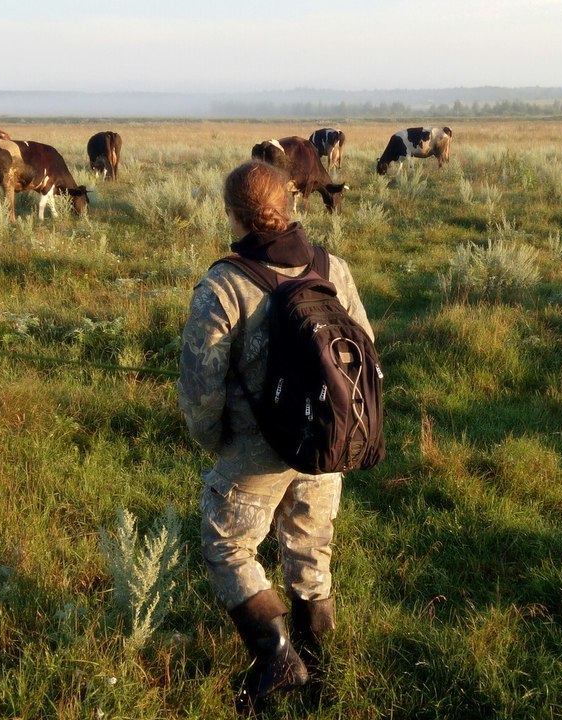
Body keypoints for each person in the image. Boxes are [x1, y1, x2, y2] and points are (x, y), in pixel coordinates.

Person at [178, 160, 375, 713]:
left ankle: (277, 656)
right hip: (325, 443)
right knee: (312, 550)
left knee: (227, 546)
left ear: (234, 214)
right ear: (289, 206)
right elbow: (364, 344)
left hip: (253, 453)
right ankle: (326, 671)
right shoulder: (332, 267)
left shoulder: (223, 284)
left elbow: (200, 390)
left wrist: (215, 441)